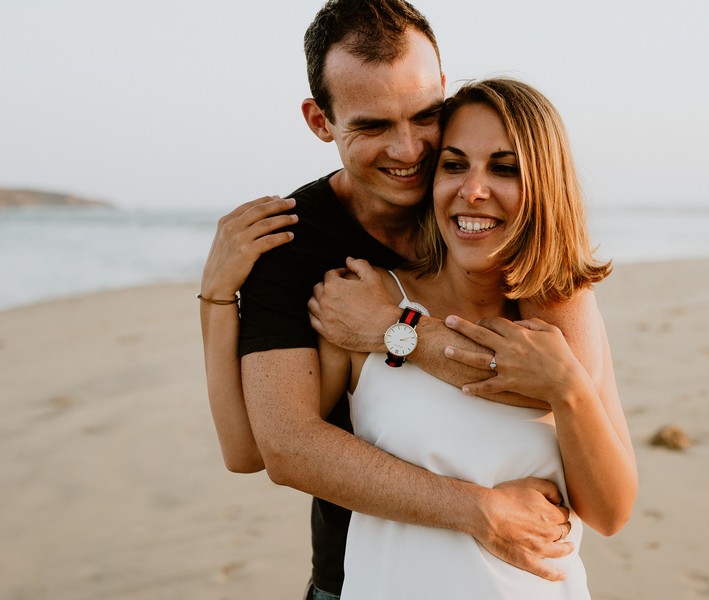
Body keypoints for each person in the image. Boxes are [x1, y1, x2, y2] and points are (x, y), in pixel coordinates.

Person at [199, 1, 620, 597]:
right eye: (372, 126)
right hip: (360, 575)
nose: (409, 152)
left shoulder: (480, 197)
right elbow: (274, 447)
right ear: (320, 120)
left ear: (444, 92)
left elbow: (563, 380)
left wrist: (398, 331)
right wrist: (215, 299)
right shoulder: (292, 247)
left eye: (425, 115)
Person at [310, 77, 637, 599]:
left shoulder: (566, 322)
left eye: (504, 168)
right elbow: (270, 446)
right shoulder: (363, 300)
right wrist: (214, 302)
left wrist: (569, 389)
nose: (473, 190)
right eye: (455, 164)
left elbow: (611, 512)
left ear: (544, 185)